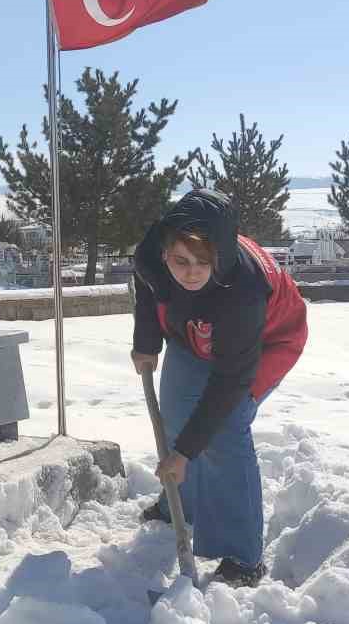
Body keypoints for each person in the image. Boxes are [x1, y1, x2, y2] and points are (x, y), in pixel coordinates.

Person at [130, 189, 308, 586]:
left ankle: (242, 557)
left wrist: (187, 452)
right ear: (164, 253)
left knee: (225, 431)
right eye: (181, 261)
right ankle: (182, 502)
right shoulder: (151, 257)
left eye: (203, 262)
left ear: (220, 257)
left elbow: (230, 382)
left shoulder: (243, 290)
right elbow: (147, 286)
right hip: (194, 333)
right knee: (176, 412)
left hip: (264, 343)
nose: (191, 271)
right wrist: (146, 341)